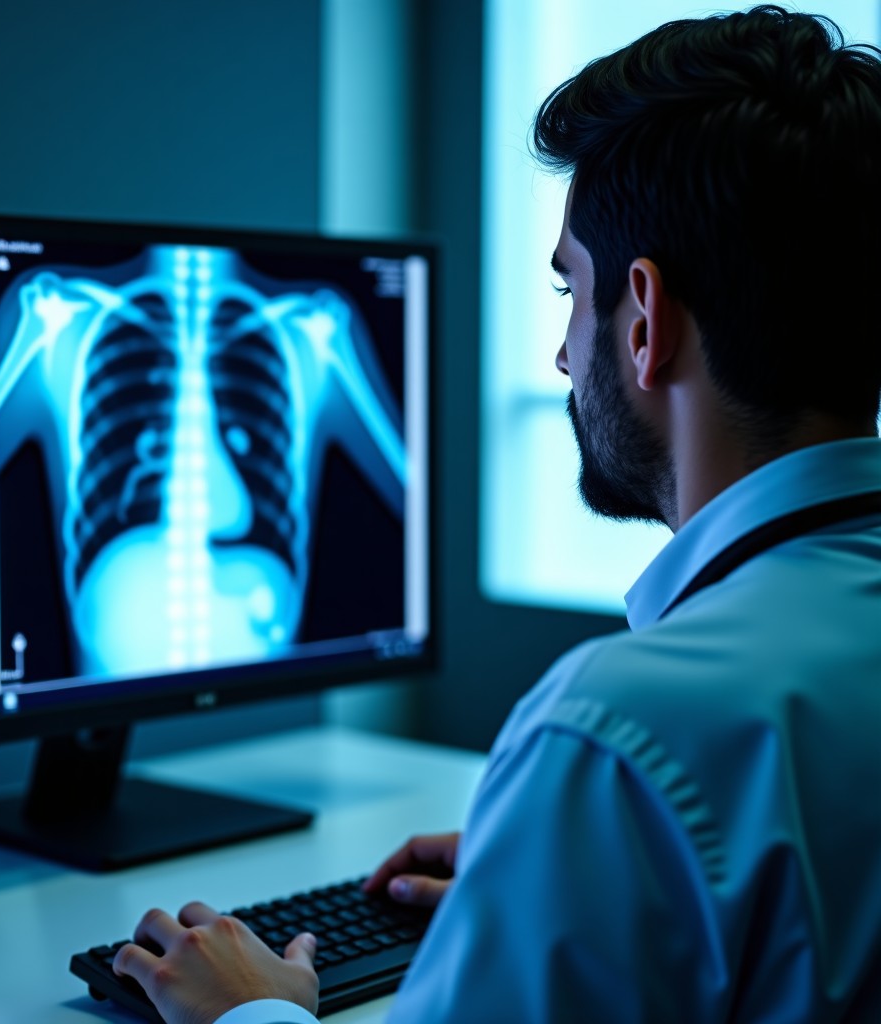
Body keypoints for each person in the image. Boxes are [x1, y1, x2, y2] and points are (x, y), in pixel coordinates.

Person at [112, 5, 881, 1021]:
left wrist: (252, 1010)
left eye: (573, 292)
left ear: (643, 321)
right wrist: (568, 873)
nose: (566, 356)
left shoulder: (622, 730)